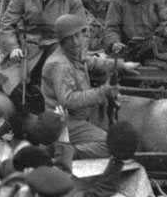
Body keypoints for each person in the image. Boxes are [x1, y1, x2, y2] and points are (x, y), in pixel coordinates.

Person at [40, 14, 115, 158]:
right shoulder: (60, 64)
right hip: (63, 121)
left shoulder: (72, 54)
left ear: (83, 34)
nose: (75, 42)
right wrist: (103, 92)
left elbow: (91, 62)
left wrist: (120, 65)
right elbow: (68, 100)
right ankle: (64, 152)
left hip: (80, 116)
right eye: (69, 39)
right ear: (62, 41)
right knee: (109, 145)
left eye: (77, 35)